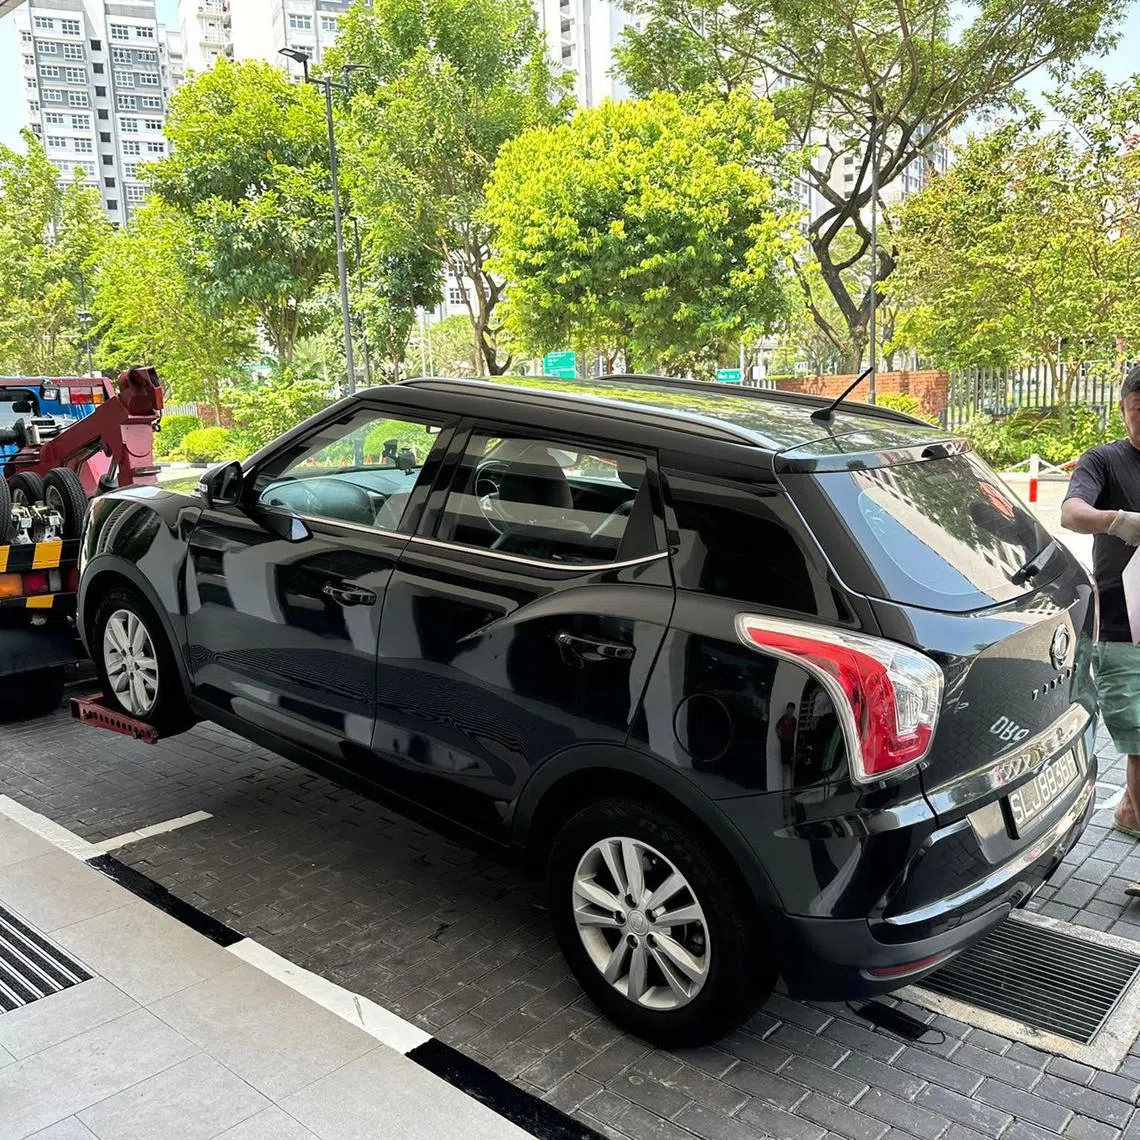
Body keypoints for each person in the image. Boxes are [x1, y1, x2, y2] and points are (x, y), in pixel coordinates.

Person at [1062, 364, 1140, 851]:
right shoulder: (1105, 461)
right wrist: (1117, 521)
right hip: (1121, 626)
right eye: (1138, 413)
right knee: (1138, 735)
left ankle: (1130, 812)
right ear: (1123, 410)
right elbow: (1071, 513)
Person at [775, 702, 798, 768]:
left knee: (791, 763)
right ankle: (784, 778)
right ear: (787, 709)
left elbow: (793, 730)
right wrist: (780, 735)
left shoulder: (794, 720)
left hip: (790, 743)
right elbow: (777, 727)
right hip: (784, 743)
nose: (791, 710)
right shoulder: (783, 718)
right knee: (784, 763)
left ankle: (790, 778)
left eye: (792, 709)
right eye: (790, 708)